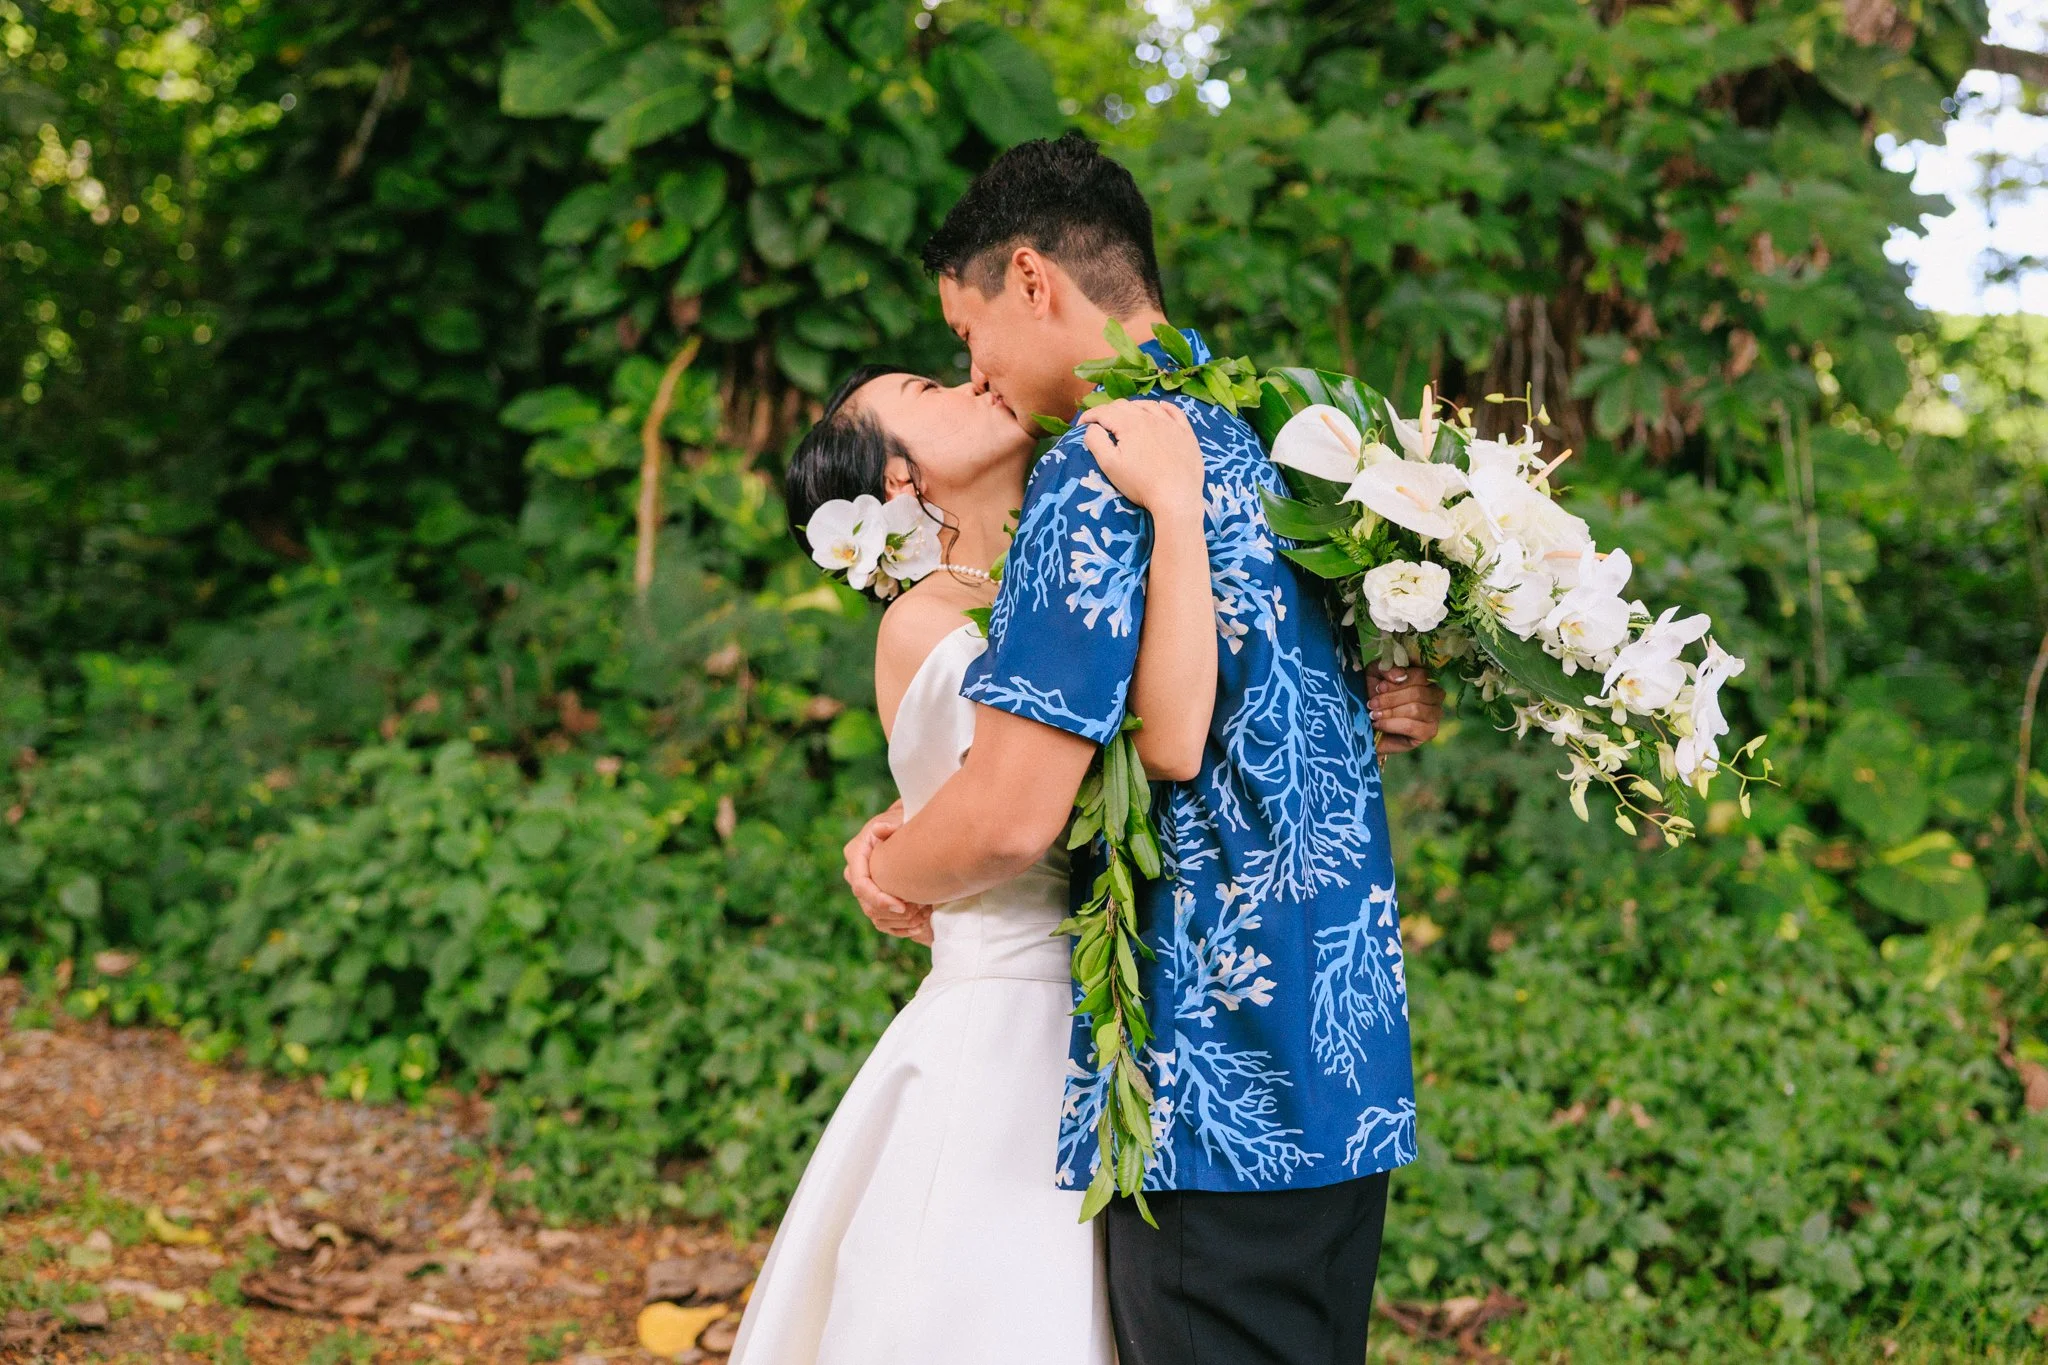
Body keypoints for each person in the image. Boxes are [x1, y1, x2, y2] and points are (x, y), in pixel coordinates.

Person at [843, 132, 1445, 1364]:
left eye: (967, 337)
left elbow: (1016, 811)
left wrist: (886, 871)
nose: (979, 373)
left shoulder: (1099, 471)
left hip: (1211, 1076)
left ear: (1029, 278)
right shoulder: (1296, 451)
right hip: (1346, 1058)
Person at [727, 369, 1218, 1364]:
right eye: (927, 385)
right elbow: (1009, 805)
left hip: (1126, 1011)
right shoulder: (926, 620)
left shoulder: (1064, 567)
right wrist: (900, 861)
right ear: (898, 479)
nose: (971, 379)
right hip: (1010, 1024)